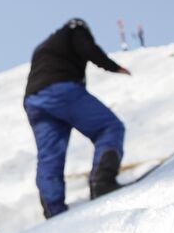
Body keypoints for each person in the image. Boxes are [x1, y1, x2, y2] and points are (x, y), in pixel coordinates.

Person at [23, 19, 132, 219]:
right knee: (109, 127)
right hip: (61, 90)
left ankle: (53, 211)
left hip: (34, 101)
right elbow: (87, 48)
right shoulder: (76, 29)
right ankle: (102, 183)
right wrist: (113, 67)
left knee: (49, 156)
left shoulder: (44, 46)